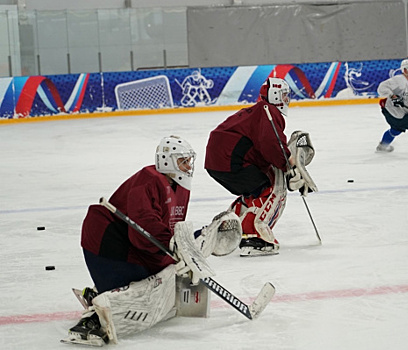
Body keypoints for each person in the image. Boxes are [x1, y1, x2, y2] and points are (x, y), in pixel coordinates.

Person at [63, 135, 242, 346]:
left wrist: (185, 245)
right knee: (151, 284)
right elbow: (143, 229)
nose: (188, 166)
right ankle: (93, 319)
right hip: (108, 243)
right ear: (167, 161)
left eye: (188, 161)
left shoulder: (180, 186)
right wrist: (175, 246)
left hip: (132, 247)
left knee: (169, 273)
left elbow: (169, 230)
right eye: (183, 161)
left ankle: (103, 290)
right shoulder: (148, 180)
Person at [204, 77, 316, 257]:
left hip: (216, 161)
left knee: (254, 192)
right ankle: (255, 237)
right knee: (272, 189)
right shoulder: (269, 112)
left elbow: (261, 145)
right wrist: (288, 164)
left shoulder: (258, 111)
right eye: (284, 95)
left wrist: (286, 164)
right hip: (230, 159)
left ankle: (228, 230)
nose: (287, 99)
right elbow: (271, 143)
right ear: (274, 95)